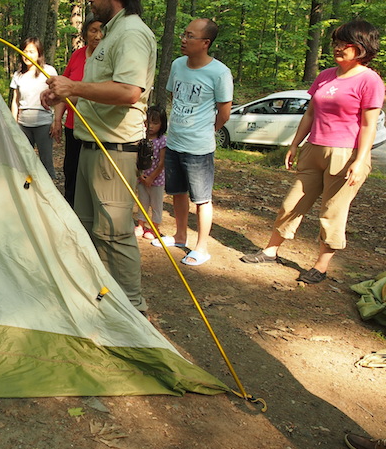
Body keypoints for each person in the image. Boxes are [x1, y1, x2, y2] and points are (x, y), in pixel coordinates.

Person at [41, 0, 156, 313]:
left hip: (114, 151)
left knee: (116, 234)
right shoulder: (110, 34)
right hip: (91, 147)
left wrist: (74, 85)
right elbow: (101, 88)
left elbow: (128, 91)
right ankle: (104, 303)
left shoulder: (132, 33)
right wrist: (67, 95)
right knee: (90, 229)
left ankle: (133, 311)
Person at [240, 20, 385, 284]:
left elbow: (369, 124)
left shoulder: (370, 80)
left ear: (362, 47)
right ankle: (270, 251)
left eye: (345, 44)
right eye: (336, 43)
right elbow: (310, 112)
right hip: (314, 148)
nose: (338, 48)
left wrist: (360, 160)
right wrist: (295, 144)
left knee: (332, 211)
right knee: (291, 203)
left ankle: (321, 265)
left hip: (346, 154)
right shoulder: (326, 75)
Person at [152, 18, 233, 267]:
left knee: (202, 199)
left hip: (199, 148)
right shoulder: (178, 65)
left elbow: (224, 112)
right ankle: (179, 236)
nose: (183, 40)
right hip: (174, 142)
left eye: (190, 36)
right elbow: (175, 96)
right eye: (183, 34)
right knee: (177, 192)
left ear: (205, 43)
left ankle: (201, 247)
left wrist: (207, 131)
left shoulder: (219, 72)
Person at [52, 15, 103, 205]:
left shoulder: (107, 58)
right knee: (71, 171)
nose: (98, 36)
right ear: (85, 33)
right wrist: (58, 119)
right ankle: (71, 214)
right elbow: (63, 90)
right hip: (73, 126)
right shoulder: (77, 55)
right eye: (93, 30)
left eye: (101, 31)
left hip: (96, 128)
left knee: (93, 177)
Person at [9, 37, 58, 179]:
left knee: (45, 161)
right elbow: (15, 101)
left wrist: (55, 121)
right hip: (23, 124)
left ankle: (50, 194)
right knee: (24, 161)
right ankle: (27, 192)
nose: (28, 55)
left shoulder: (48, 71)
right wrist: (14, 123)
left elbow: (57, 96)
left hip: (43, 123)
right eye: (25, 51)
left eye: (32, 51)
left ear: (39, 53)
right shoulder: (18, 75)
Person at [135, 106, 167, 239]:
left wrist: (151, 178)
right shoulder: (141, 138)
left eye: (155, 123)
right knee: (142, 202)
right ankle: (140, 225)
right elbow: (136, 158)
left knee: (156, 204)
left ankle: (155, 228)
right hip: (142, 178)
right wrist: (140, 174)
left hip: (157, 181)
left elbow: (161, 163)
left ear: (162, 124)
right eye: (148, 123)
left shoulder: (162, 141)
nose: (151, 126)